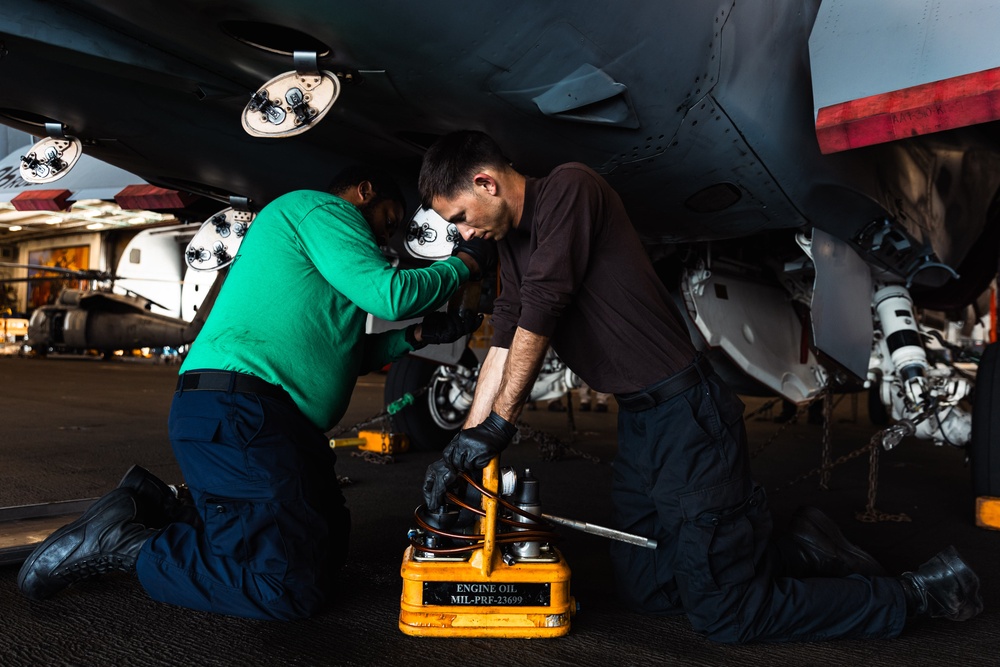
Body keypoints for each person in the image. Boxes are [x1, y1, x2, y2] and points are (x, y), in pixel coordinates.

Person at [417, 130, 983, 644]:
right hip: (641, 423)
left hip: (689, 417)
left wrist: (498, 426)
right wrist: (464, 445)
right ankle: (802, 550)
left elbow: (543, 310)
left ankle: (918, 594)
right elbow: (506, 335)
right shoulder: (513, 243)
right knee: (649, 591)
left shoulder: (569, 189)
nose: (465, 233)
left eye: (462, 216)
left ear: (486, 182)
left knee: (728, 615)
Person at [18, 165, 492, 620]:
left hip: (264, 421)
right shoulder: (318, 211)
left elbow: (344, 356)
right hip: (241, 413)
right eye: (389, 221)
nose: (386, 238)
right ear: (363, 192)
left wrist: (416, 336)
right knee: (285, 588)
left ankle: (161, 508)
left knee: (326, 551)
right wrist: (463, 265)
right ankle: (122, 545)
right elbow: (391, 295)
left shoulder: (329, 267)